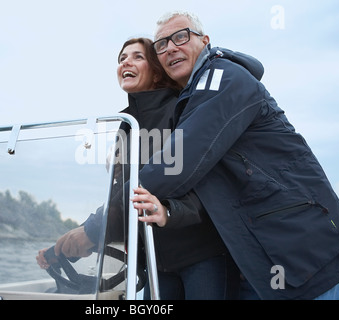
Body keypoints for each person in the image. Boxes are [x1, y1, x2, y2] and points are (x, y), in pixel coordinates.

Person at [136, 11, 339, 300]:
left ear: (205, 41)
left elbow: (178, 162)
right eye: (161, 45)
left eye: (180, 37)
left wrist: (111, 213)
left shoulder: (223, 77)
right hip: (258, 258)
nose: (171, 48)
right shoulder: (191, 99)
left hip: (300, 253)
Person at [37, 37, 239, 300]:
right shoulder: (127, 124)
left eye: (137, 57)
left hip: (202, 255)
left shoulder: (178, 111)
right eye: (121, 59)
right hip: (159, 261)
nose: (126, 62)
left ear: (156, 73)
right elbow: (121, 196)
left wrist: (91, 232)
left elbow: (150, 184)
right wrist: (66, 246)